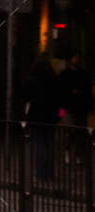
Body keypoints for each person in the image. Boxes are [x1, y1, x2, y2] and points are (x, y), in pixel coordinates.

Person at [23, 54, 62, 182]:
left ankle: (41, 173)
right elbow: (59, 99)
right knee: (50, 145)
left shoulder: (33, 80)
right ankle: (49, 173)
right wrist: (59, 115)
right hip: (50, 116)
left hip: (37, 116)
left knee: (39, 145)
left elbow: (26, 97)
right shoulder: (54, 79)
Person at [59, 53, 93, 130]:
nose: (77, 60)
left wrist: (90, 107)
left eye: (78, 58)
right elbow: (60, 96)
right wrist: (60, 114)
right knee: (69, 130)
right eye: (75, 57)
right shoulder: (64, 75)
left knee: (81, 130)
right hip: (68, 109)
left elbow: (88, 91)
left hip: (81, 109)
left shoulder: (83, 74)